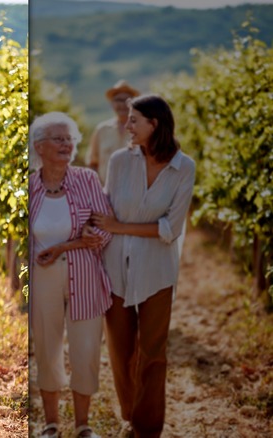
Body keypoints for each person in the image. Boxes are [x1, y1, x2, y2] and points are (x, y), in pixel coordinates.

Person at [91, 95, 195, 438]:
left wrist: (119, 227)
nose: (127, 125)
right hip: (115, 268)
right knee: (121, 352)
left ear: (155, 124)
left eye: (135, 120)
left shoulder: (184, 168)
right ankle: (131, 416)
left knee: (153, 354)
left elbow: (170, 229)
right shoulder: (120, 160)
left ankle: (146, 429)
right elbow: (106, 209)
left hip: (157, 272)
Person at [28, 112, 114, 438]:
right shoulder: (30, 186)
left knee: (85, 349)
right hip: (41, 277)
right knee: (48, 349)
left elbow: (106, 226)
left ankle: (83, 426)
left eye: (70, 139)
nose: (67, 145)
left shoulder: (86, 180)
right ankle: (51, 424)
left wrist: (82, 241)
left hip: (86, 274)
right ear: (39, 146)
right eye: (58, 139)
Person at [85, 80, 140, 184]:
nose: (122, 104)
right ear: (111, 103)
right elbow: (92, 163)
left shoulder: (141, 129)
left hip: (135, 194)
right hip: (105, 193)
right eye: (118, 100)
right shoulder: (102, 129)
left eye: (127, 100)